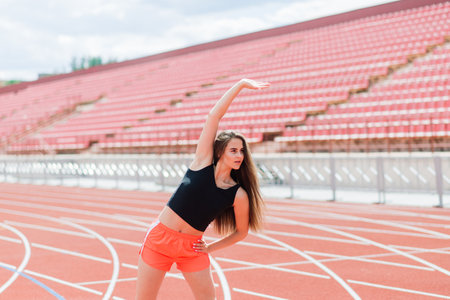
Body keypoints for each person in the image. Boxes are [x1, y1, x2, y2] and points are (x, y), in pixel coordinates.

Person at [135, 78, 270, 300]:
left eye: (241, 151)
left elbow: (241, 232)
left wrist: (211, 248)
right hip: (159, 240)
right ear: (220, 153)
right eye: (233, 150)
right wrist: (240, 85)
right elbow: (213, 116)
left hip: (191, 249)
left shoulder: (238, 194)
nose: (239, 155)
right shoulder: (202, 162)